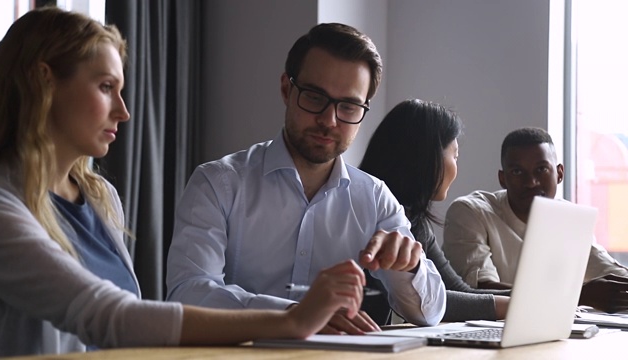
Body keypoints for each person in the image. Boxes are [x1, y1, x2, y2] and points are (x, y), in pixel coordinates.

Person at [0, 7, 369, 357]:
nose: (123, 111)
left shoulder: (100, 196)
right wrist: (293, 320)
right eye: (106, 87)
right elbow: (110, 316)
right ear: (44, 82)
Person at [166, 23, 446, 333]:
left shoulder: (375, 197)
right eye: (315, 97)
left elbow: (430, 313)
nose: (329, 120)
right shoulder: (218, 184)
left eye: (349, 106)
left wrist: (410, 268)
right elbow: (188, 292)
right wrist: (296, 315)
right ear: (287, 89)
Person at [443, 127, 628, 313]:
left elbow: (614, 277)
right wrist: (577, 295)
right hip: (490, 331)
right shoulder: (471, 212)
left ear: (560, 174)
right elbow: (480, 293)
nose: (531, 182)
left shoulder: (568, 218)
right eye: (517, 172)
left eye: (541, 169)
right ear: (502, 179)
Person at [358, 99, 510, 322]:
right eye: (455, 156)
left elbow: (456, 292)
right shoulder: (367, 211)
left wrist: (532, 301)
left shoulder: (415, 222)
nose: (457, 168)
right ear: (428, 157)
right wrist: (520, 306)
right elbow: (437, 305)